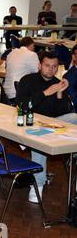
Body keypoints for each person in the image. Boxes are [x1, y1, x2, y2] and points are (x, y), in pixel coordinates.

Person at [17, 52, 77, 203]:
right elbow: (23, 107)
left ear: (58, 68)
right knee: (40, 143)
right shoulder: (27, 80)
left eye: (54, 66)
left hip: (50, 124)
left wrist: (59, 94)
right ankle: (38, 184)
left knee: (74, 117)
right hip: (28, 122)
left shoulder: (58, 83)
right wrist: (46, 93)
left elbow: (62, 113)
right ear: (39, 65)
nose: (50, 69)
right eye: (47, 65)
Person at [3, 37, 40, 103]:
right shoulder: (32, 55)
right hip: (17, 94)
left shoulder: (11, 53)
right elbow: (39, 72)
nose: (34, 49)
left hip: (5, 93)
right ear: (32, 45)